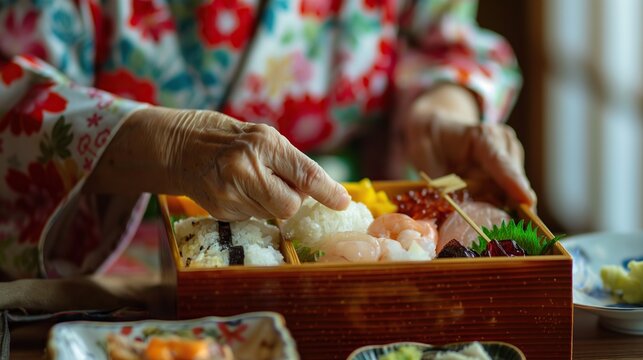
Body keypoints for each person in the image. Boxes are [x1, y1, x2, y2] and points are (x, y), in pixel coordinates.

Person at [0, 0, 534, 279]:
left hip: (355, 253)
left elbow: (445, 44)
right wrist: (171, 147)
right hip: (128, 263)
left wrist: (438, 117)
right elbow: (13, 96)